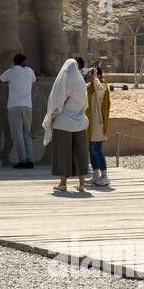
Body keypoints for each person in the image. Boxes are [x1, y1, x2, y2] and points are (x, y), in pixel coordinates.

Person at [43, 57, 90, 194]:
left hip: (63, 123)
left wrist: (50, 117)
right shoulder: (81, 82)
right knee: (80, 153)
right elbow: (84, 104)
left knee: (62, 154)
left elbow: (56, 103)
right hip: (79, 123)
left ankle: (63, 183)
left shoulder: (62, 81)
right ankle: (82, 183)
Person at [0, 52, 36, 168]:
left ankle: (22, 160)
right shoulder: (30, 71)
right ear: (23, 61)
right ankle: (30, 160)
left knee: (17, 135)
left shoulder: (12, 71)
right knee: (27, 135)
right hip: (27, 106)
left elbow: (0, 79)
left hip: (14, 106)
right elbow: (33, 80)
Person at [85, 64, 112, 186]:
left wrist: (96, 77)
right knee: (91, 149)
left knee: (97, 149)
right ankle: (95, 175)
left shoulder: (103, 86)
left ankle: (104, 176)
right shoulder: (89, 87)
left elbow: (100, 91)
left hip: (98, 123)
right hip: (90, 124)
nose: (90, 77)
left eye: (93, 74)